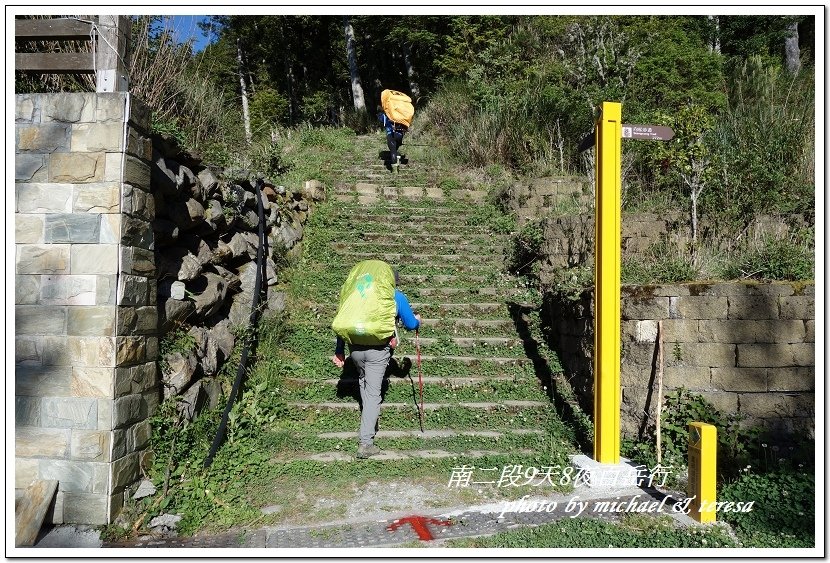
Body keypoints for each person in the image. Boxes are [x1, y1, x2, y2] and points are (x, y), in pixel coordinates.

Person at [332, 269, 421, 459]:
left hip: (354, 349)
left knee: (364, 381)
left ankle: (368, 418)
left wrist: (339, 350)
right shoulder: (395, 295)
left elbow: (343, 319)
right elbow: (411, 324)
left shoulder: (358, 294)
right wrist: (418, 321)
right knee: (373, 394)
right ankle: (366, 443)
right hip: (378, 351)